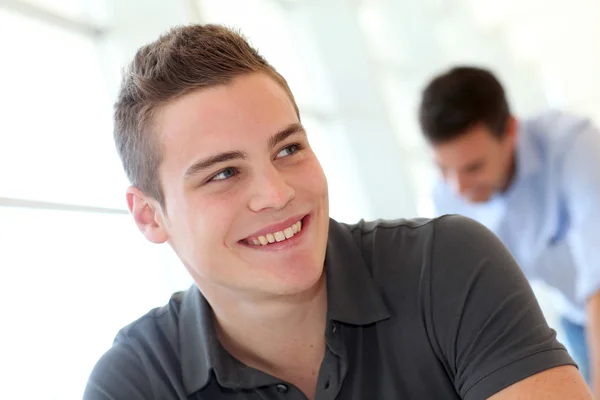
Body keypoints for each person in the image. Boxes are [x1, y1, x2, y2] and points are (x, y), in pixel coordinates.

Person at [83, 26, 592, 400]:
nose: (276, 194)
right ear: (150, 216)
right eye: (223, 174)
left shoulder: (447, 264)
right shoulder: (136, 382)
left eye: (287, 150)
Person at [418, 65, 600, 398]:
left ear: (511, 132)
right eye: (444, 168)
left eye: (474, 167)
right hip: (576, 317)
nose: (458, 187)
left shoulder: (576, 147)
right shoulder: (446, 193)